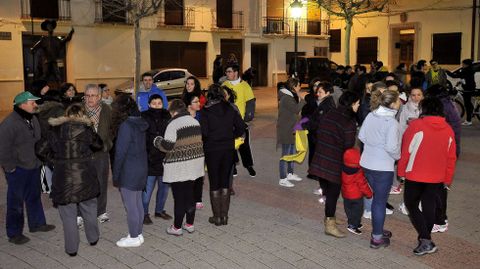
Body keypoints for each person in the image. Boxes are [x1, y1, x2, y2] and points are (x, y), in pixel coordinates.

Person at [35, 104, 103, 256]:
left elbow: (39, 149)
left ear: (65, 115)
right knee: (90, 209)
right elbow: (99, 145)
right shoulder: (86, 129)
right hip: (85, 176)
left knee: (68, 216)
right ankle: (93, 238)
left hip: (63, 177)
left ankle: (72, 249)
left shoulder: (55, 130)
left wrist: (54, 160)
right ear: (82, 115)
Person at [398, 96, 456, 256]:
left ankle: (425, 239)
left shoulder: (416, 125)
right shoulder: (448, 129)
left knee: (411, 204)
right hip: (437, 177)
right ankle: (426, 239)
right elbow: (452, 157)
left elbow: (406, 151)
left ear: (424, 109)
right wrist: (447, 179)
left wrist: (401, 172)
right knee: (429, 205)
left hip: (415, 174)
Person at [0, 91, 55, 245]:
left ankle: (37, 224)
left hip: (34, 166)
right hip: (18, 169)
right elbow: (2, 149)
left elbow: (38, 140)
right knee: (15, 202)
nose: (36, 105)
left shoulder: (32, 119)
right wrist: (10, 168)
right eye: (33, 103)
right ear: (22, 104)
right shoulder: (9, 124)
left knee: (34, 196)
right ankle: (14, 233)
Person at [308, 91, 360, 238]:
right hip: (334, 162)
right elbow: (348, 145)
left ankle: (330, 216)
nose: (358, 106)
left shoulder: (330, 113)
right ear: (351, 104)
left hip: (321, 158)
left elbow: (318, 131)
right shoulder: (349, 121)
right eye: (357, 103)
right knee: (333, 194)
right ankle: (329, 224)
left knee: (326, 191)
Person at [154, 100, 205, 236]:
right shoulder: (195, 122)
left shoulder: (173, 124)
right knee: (190, 195)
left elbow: (167, 146)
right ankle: (189, 224)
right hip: (195, 165)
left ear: (173, 111)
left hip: (179, 167)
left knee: (179, 198)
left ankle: (176, 227)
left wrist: (157, 141)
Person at [358, 89, 401, 249]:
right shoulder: (392, 123)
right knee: (379, 202)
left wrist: (373, 144)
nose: (400, 103)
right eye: (398, 100)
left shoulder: (371, 115)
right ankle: (376, 238)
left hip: (366, 163)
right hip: (382, 167)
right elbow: (392, 147)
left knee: (374, 199)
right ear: (392, 104)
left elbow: (361, 136)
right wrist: (398, 155)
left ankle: (378, 229)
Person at [200, 84, 246, 225]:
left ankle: (217, 217)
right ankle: (225, 216)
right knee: (225, 181)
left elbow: (204, 133)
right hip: (227, 148)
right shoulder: (230, 109)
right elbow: (241, 127)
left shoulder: (206, 112)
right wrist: (231, 135)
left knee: (214, 182)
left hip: (212, 150)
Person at [111, 95, 149, 247]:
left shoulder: (126, 125)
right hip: (141, 167)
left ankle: (133, 237)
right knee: (138, 203)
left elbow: (120, 152)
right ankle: (138, 233)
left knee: (131, 206)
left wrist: (115, 174)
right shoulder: (140, 122)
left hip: (129, 170)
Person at [83, 84, 113, 224]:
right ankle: (79, 214)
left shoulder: (107, 110)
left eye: (93, 95)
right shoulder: (78, 110)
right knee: (81, 183)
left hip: (101, 153)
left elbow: (112, 131)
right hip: (82, 154)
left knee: (101, 182)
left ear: (99, 97)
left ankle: (101, 211)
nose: (90, 98)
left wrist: (107, 145)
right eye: (87, 95)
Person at [141, 94, 172, 224]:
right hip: (149, 159)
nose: (157, 106)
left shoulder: (167, 116)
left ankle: (159, 211)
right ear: (149, 104)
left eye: (159, 103)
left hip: (165, 159)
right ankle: (144, 213)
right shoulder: (144, 117)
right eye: (154, 103)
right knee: (147, 190)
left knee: (164, 188)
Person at [222, 63, 257, 177]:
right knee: (230, 145)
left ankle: (249, 166)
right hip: (227, 122)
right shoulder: (224, 85)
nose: (227, 74)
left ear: (236, 72)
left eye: (229, 71)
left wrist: (247, 118)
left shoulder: (245, 85)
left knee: (244, 145)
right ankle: (233, 166)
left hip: (241, 122)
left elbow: (251, 103)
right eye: (226, 72)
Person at [277, 77, 306, 187]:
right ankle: (282, 178)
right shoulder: (286, 98)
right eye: (299, 85)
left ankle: (290, 173)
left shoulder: (289, 96)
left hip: (292, 128)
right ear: (294, 87)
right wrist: (302, 99)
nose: (300, 87)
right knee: (285, 155)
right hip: (286, 130)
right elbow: (296, 109)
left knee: (292, 153)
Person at [341, 148, 373, 235]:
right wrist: (369, 194)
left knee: (349, 209)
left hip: (346, 194)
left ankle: (353, 222)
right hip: (356, 196)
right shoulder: (358, 172)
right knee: (358, 211)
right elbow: (363, 184)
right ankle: (353, 226)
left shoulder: (342, 168)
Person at [183, 92, 205, 209]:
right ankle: (188, 197)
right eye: (195, 102)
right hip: (186, 151)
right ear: (189, 105)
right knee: (187, 176)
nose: (198, 103)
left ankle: (198, 199)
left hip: (199, 150)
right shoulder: (183, 117)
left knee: (199, 175)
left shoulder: (201, 116)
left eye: (199, 101)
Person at [446, 59, 476, 125]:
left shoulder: (466, 70)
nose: (462, 65)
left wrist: (446, 71)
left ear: (466, 64)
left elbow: (454, 76)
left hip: (468, 89)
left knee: (467, 104)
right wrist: (460, 82)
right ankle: (471, 112)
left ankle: (468, 120)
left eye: (463, 64)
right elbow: (465, 78)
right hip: (470, 87)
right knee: (468, 103)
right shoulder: (470, 69)